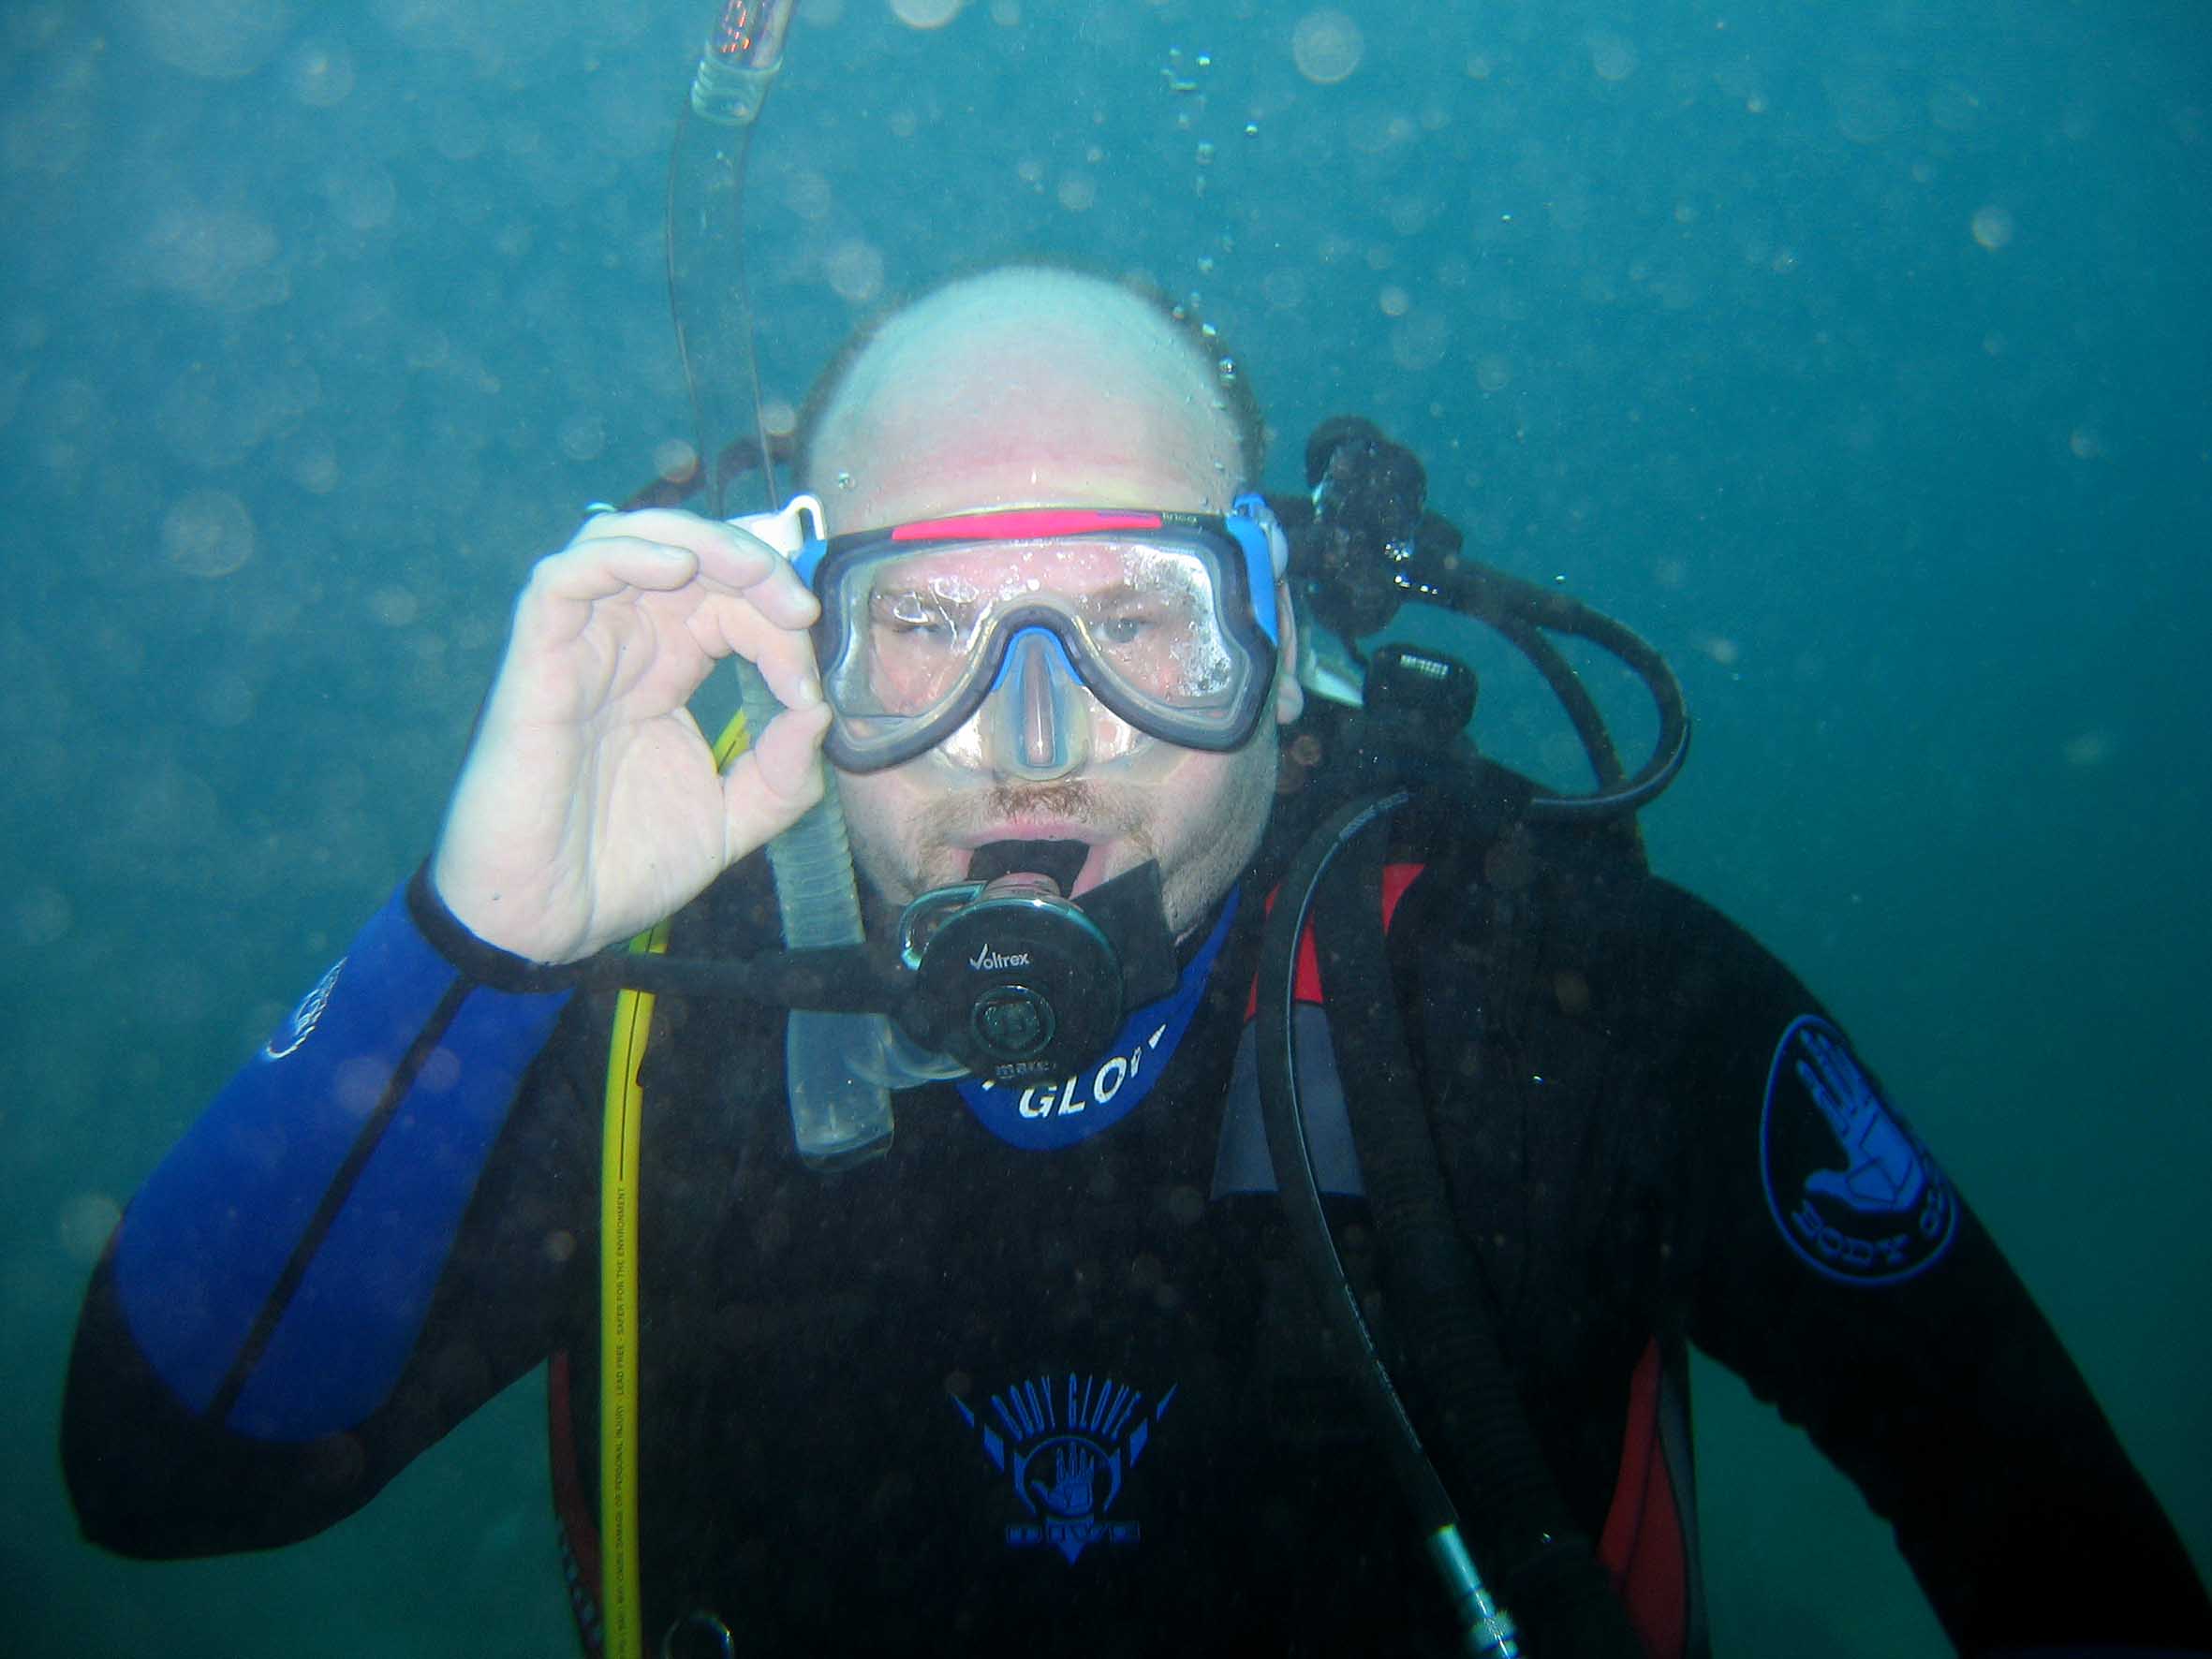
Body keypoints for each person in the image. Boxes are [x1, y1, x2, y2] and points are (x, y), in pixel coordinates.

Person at [63, 265, 2212, 1658]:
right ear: (798, 650)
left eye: (1136, 616)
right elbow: (167, 1475)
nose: (1030, 735)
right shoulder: (639, 1031)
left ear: (1280, 646)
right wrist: (480, 940)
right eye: (926, 625)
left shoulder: (1566, 1000)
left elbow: (2054, 1545)